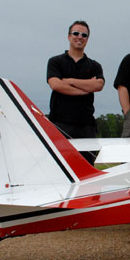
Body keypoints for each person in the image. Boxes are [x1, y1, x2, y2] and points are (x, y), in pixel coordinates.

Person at [47, 20, 105, 165]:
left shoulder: (94, 65)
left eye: (84, 35)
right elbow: (55, 84)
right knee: (60, 166)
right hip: (60, 123)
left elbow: (98, 85)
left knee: (86, 168)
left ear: (87, 39)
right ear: (68, 36)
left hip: (86, 126)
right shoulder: (55, 62)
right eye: (76, 33)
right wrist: (85, 89)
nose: (80, 37)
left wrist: (69, 80)